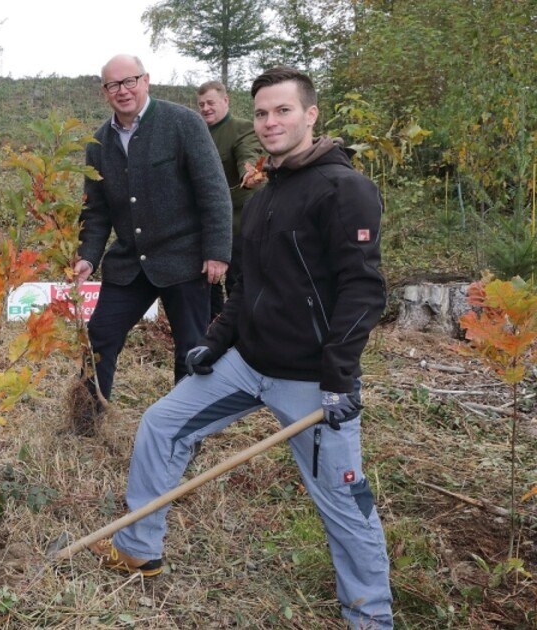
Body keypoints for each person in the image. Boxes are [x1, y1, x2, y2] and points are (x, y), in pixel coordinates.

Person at [91, 66, 393, 628]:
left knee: (343, 501)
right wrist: (213, 343)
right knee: (161, 425)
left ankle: (370, 615)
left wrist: (338, 378)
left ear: (311, 114)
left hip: (313, 381)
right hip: (247, 365)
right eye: (261, 114)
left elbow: (363, 290)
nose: (270, 122)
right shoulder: (263, 196)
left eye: (283, 111)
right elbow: (245, 287)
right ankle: (137, 549)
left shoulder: (344, 190)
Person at [73, 54, 232, 414]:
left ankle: (185, 428)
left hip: (185, 260)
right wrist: (88, 256)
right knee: (99, 338)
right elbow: (96, 210)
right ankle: (88, 421)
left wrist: (217, 251)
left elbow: (213, 189)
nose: (123, 90)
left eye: (130, 81)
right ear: (104, 92)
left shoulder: (183, 123)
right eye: (114, 85)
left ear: (145, 80)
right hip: (129, 264)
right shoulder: (98, 143)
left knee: (191, 349)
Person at [196, 80, 264, 319]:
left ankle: (240, 332)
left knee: (238, 282)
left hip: (239, 222)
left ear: (225, 101)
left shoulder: (242, 129)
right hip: (205, 225)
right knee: (207, 281)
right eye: (201, 104)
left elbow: (248, 154)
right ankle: (212, 328)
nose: (206, 108)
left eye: (211, 103)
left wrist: (249, 173)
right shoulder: (197, 132)